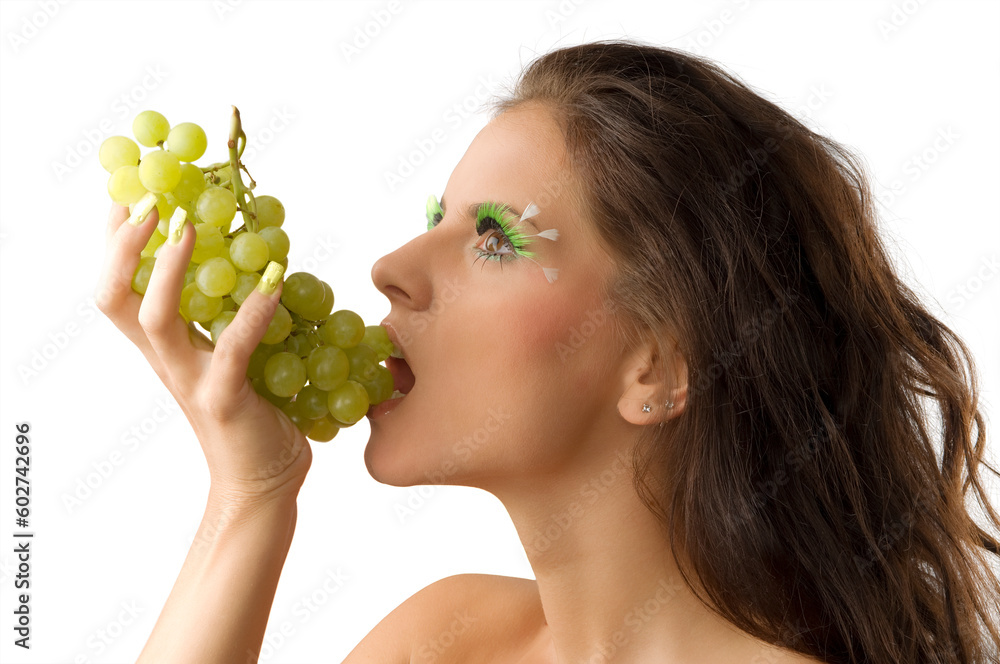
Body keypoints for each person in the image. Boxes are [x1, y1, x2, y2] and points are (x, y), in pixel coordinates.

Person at [95, 40, 1000, 664]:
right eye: (432, 221)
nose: (392, 269)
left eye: (495, 238)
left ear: (655, 366)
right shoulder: (445, 637)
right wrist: (251, 497)